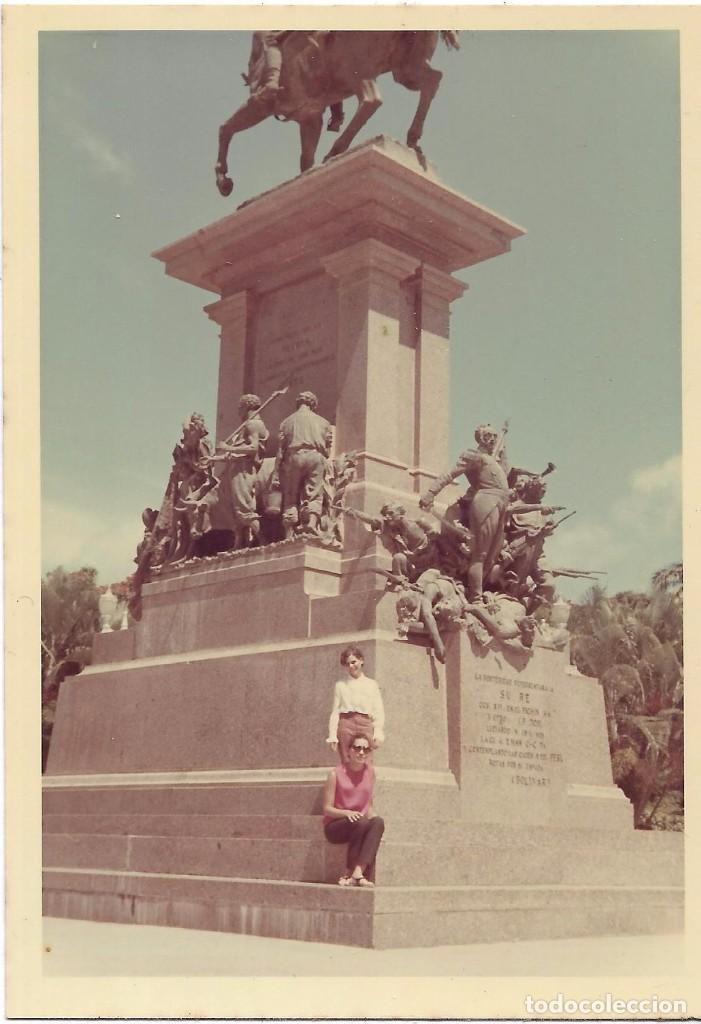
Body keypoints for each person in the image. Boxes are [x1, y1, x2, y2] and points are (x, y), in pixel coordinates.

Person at [323, 733, 385, 887]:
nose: (361, 752)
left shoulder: (370, 773)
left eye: (366, 749)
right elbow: (327, 808)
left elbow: (368, 805)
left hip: (360, 823)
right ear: (348, 751)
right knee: (361, 822)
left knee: (378, 822)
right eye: (357, 748)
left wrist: (376, 830)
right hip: (336, 826)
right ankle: (347, 872)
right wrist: (347, 813)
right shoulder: (335, 774)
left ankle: (358, 872)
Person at [274, 390, 333, 539]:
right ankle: (311, 525)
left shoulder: (286, 422)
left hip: (293, 456)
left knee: (290, 496)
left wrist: (276, 472)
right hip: (316, 456)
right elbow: (327, 450)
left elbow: (280, 451)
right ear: (313, 405)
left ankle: (289, 532)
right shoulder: (324, 422)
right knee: (314, 493)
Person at [326, 645, 385, 763]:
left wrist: (378, 732)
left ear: (361, 660)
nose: (351, 666)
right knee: (347, 761)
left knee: (365, 762)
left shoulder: (371, 684)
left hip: (365, 724)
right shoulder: (340, 685)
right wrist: (333, 735)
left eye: (353, 662)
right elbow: (335, 712)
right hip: (346, 724)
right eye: (347, 664)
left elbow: (378, 710)